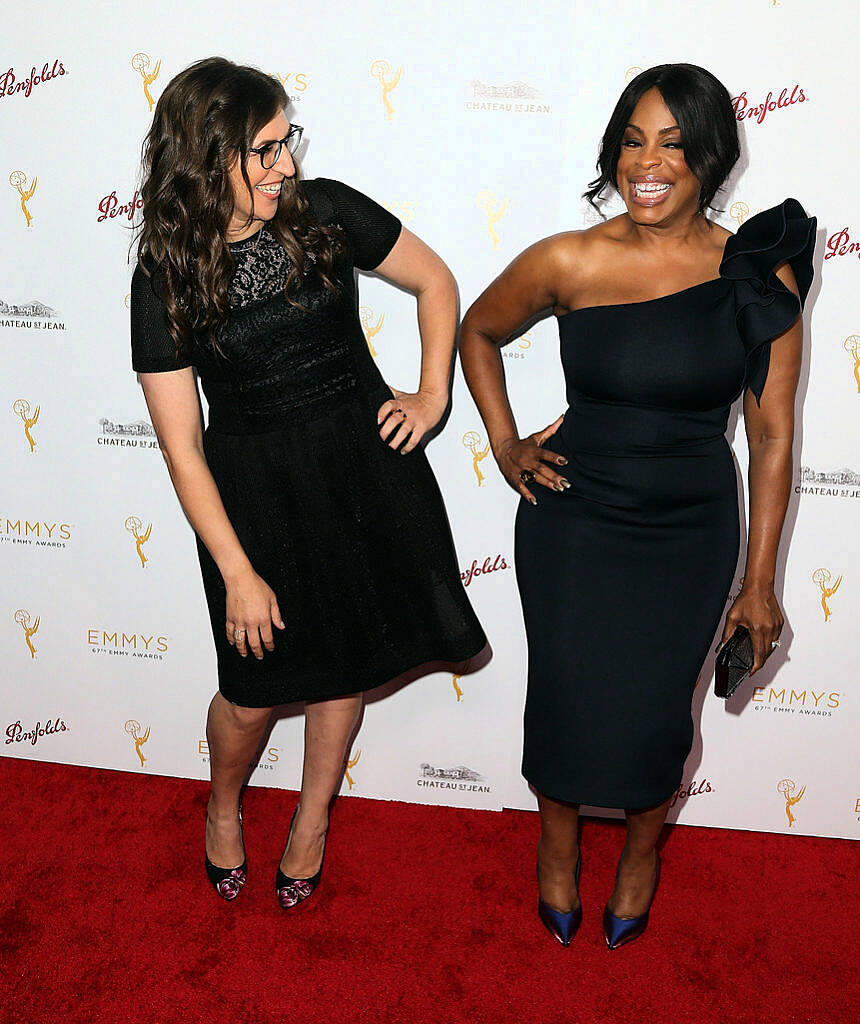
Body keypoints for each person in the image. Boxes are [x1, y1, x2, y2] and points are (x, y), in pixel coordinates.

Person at [458, 63, 815, 948]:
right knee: (566, 694)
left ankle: (641, 855)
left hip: (688, 528)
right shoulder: (569, 258)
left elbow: (771, 440)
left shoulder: (753, 277)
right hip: (572, 517)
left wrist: (758, 583)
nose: (645, 163)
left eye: (672, 145)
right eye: (630, 140)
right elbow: (478, 330)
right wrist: (505, 445)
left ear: (709, 162)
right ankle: (554, 845)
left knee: (664, 707)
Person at [130, 58, 486, 907]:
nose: (285, 163)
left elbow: (436, 281)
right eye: (263, 149)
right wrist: (238, 574)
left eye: (287, 140)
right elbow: (184, 449)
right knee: (250, 695)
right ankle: (223, 805)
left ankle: (311, 821)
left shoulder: (324, 212)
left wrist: (430, 392)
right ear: (205, 156)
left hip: (363, 470)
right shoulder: (166, 275)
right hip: (254, 501)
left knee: (340, 671)